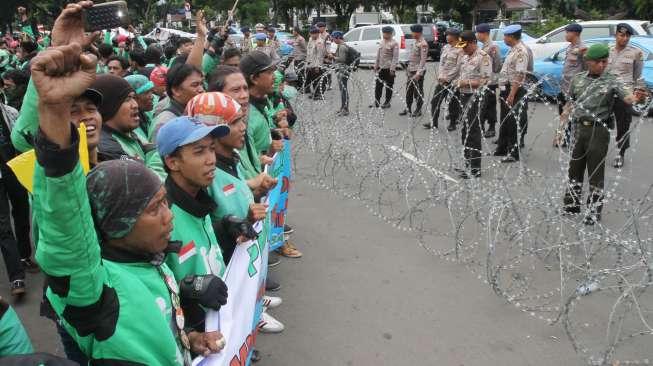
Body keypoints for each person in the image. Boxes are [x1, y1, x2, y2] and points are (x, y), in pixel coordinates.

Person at [30, 20, 224, 365]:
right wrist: (53, 108)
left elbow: (157, 320)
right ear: (116, 221)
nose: (169, 218)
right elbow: (66, 223)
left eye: (165, 204)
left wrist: (187, 339)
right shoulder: (100, 290)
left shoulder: (151, 258)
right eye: (152, 209)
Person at [157, 115, 230, 334]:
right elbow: (149, 287)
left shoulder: (200, 197)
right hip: (191, 334)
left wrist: (227, 229)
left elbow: (199, 248)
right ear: (173, 162)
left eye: (211, 149)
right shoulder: (161, 215)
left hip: (218, 322)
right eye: (199, 152)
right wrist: (189, 289)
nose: (211, 159)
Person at [561, 43, 646, 225]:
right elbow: (570, 103)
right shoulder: (578, 79)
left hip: (598, 130)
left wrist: (638, 97)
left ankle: (593, 211)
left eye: (605, 61)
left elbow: (628, 98)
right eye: (598, 62)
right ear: (588, 62)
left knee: (595, 172)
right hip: (578, 128)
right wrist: (561, 128)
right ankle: (571, 204)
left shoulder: (611, 79)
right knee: (574, 169)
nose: (602, 65)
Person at [93, 74, 166, 178]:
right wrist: (160, 153)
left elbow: (146, 148)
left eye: (133, 98)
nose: (135, 105)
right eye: (127, 99)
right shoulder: (108, 148)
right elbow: (147, 181)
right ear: (110, 106)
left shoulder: (127, 132)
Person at [454, 31, 492, 179]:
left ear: (473, 43)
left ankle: (475, 168)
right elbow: (461, 75)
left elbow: (485, 81)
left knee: (473, 131)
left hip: (476, 97)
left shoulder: (483, 57)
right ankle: (467, 163)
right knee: (464, 130)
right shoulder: (465, 57)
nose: (463, 49)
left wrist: (465, 83)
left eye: (465, 46)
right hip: (463, 96)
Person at [0, 101, 28, 297]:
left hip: (14, 169)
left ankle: (25, 254)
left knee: (22, 212)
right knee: (3, 226)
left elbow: (22, 140)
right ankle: (16, 276)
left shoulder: (10, 112)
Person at [607, 23, 645, 168]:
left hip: (625, 95)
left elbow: (637, 75)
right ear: (616, 35)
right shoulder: (608, 50)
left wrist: (636, 91)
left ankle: (620, 153)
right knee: (601, 121)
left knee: (623, 125)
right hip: (608, 92)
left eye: (627, 36)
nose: (625, 38)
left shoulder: (636, 53)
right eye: (622, 35)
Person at [494, 24, 532, 163]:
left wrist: (511, 94)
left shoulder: (521, 51)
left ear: (511, 37)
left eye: (505, 36)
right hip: (506, 89)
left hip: (514, 90)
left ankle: (513, 152)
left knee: (512, 122)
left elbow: (520, 75)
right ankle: (502, 148)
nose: (504, 38)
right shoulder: (513, 50)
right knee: (504, 120)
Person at [553, 23, 587, 147]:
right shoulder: (570, 47)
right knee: (562, 112)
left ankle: (563, 137)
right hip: (564, 86)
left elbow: (586, 69)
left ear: (576, 33)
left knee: (567, 114)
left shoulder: (583, 49)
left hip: (574, 88)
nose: (566, 35)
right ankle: (565, 136)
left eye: (568, 32)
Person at [152, 63, 204, 140]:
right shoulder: (166, 123)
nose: (201, 89)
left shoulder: (197, 112)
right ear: (176, 90)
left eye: (201, 84)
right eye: (195, 85)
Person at [426, 27, 461, 128]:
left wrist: (447, 78)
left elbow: (458, 67)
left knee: (453, 103)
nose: (446, 37)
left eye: (448, 35)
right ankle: (434, 122)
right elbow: (441, 63)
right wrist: (441, 75)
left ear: (454, 37)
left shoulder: (461, 49)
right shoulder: (446, 47)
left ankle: (453, 123)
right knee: (435, 100)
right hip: (442, 80)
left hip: (453, 81)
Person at [475, 23, 502, 138]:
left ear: (484, 33)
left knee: (489, 105)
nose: (476, 35)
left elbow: (497, 65)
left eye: (478, 33)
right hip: (484, 80)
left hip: (490, 81)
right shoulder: (484, 46)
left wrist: (491, 76)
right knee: (484, 104)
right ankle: (482, 127)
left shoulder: (492, 47)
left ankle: (491, 128)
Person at [399, 24, 428, 117]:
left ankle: (418, 110)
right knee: (409, 90)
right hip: (411, 69)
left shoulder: (423, 44)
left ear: (418, 32)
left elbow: (423, 60)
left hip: (417, 71)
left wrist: (419, 73)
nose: (411, 33)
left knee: (418, 91)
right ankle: (408, 108)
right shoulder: (415, 42)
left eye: (413, 32)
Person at [371, 26, 398, 109]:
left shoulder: (394, 43)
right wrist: (376, 65)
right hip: (381, 68)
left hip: (389, 68)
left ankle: (387, 102)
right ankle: (377, 101)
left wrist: (392, 69)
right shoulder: (382, 42)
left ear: (390, 34)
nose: (383, 34)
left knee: (389, 86)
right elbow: (378, 55)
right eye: (383, 33)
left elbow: (395, 57)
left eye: (385, 33)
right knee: (378, 85)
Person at [125, 74, 156, 141]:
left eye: (151, 91)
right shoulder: (128, 125)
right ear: (133, 97)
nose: (152, 96)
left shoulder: (147, 114)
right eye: (147, 92)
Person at [330, 31, 351, 116]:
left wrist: (333, 57)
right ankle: (343, 107)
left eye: (334, 38)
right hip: (341, 69)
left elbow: (342, 59)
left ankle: (345, 109)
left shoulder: (342, 47)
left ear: (338, 38)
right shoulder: (341, 45)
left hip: (343, 70)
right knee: (342, 90)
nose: (333, 40)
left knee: (343, 90)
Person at [306, 27, 326, 100]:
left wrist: (317, 66)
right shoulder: (311, 40)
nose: (311, 35)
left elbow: (319, 55)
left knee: (318, 80)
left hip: (317, 64)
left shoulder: (319, 42)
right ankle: (315, 93)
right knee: (313, 80)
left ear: (317, 34)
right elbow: (308, 52)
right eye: (310, 34)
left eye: (312, 34)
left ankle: (319, 94)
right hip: (311, 63)